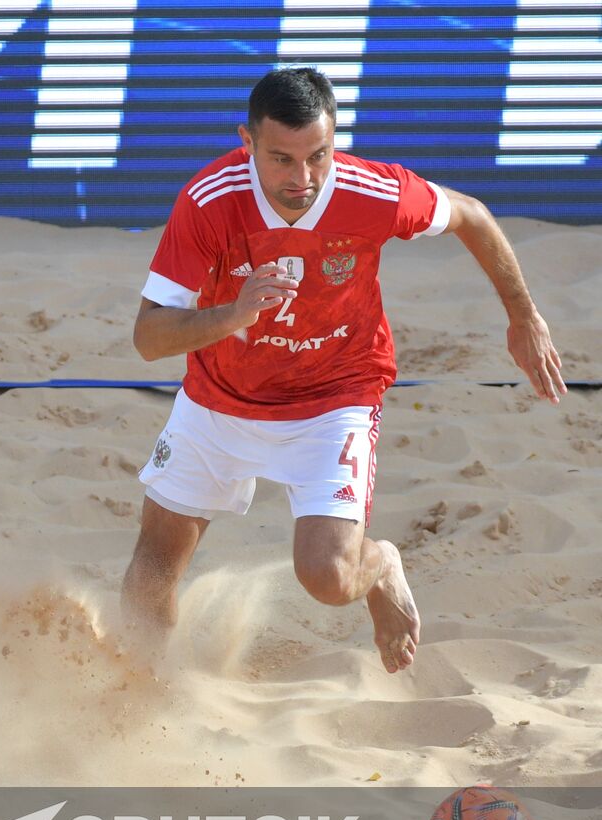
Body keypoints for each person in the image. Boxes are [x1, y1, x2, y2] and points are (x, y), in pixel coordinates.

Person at [124, 67, 566, 675]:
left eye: (318, 156)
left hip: (335, 395)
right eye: (281, 159)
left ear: (335, 141)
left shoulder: (371, 191)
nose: (302, 179)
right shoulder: (210, 199)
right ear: (246, 142)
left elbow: (472, 215)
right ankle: (136, 699)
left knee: (329, 578)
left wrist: (524, 317)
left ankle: (381, 563)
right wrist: (233, 313)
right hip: (220, 397)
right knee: (152, 569)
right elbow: (148, 338)